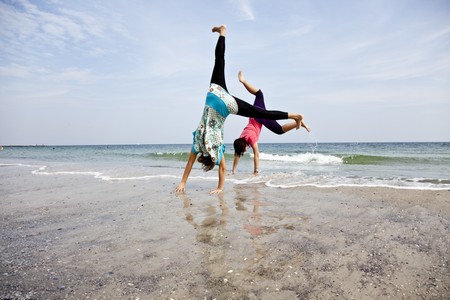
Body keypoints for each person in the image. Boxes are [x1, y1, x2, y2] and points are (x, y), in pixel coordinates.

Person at [175, 25, 306, 194]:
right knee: (219, 61)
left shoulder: (216, 149)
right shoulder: (197, 142)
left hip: (226, 106)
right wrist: (182, 182)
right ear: (202, 156)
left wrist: (220, 188)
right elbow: (189, 163)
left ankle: (294, 115)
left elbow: (222, 169)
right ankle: (222, 33)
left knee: (260, 113)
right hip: (214, 95)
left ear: (210, 159)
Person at [232, 71, 310, 175]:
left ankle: (296, 118)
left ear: (244, 146)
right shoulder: (242, 137)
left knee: (279, 130)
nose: (245, 151)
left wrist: (255, 171)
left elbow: (256, 154)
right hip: (254, 113)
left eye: (244, 150)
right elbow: (237, 153)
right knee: (259, 94)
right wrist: (233, 170)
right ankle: (243, 81)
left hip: (260, 118)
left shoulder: (250, 138)